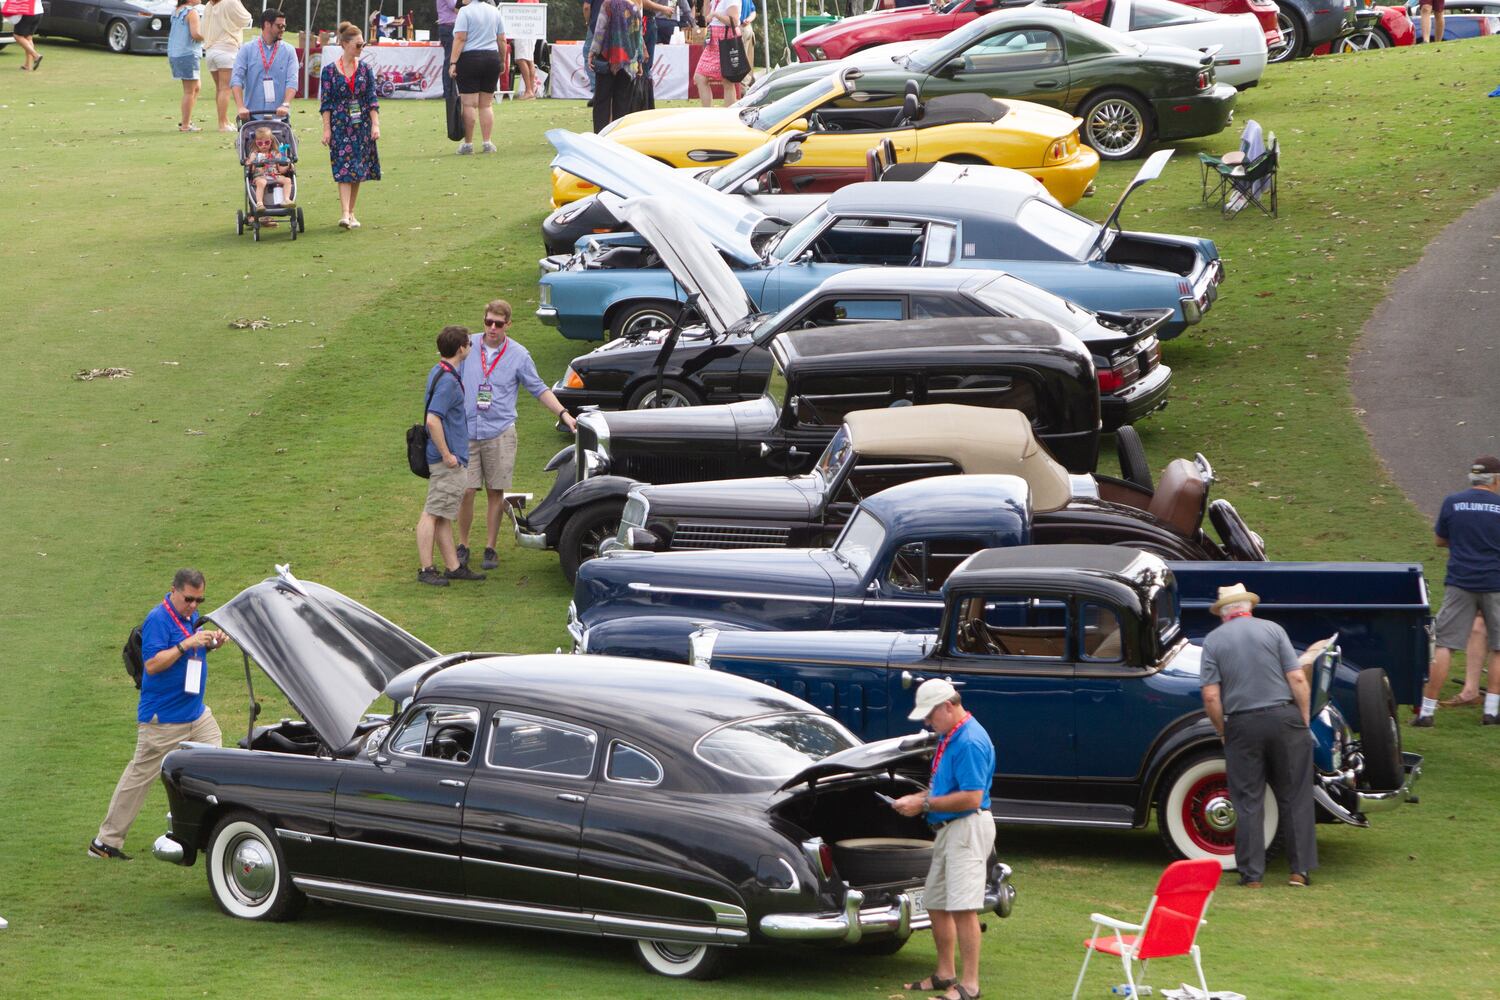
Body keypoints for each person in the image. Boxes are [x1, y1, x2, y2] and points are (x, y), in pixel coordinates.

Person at [89, 569, 227, 860]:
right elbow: (153, 664)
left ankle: (202, 832)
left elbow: (191, 656)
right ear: (173, 591)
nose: (194, 605)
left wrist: (210, 643)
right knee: (139, 778)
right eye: (189, 599)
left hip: (196, 715)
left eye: (199, 600)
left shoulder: (189, 618)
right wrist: (186, 643)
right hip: (163, 720)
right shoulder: (158, 619)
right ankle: (105, 843)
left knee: (215, 765)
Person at [1199, 583, 1321, 888]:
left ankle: (1252, 875)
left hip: (1242, 723)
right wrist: (1303, 717)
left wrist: (1222, 730)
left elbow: (1211, 696)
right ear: (1248, 608)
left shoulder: (1213, 641)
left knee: (1248, 800)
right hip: (1284, 717)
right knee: (1295, 795)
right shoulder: (1273, 630)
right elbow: (1296, 677)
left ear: (1223, 614)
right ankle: (1299, 871)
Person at [890, 680, 995, 1000]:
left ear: (948, 706)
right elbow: (946, 788)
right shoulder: (952, 735)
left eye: (930, 715)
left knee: (963, 907)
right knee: (936, 902)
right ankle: (945, 974)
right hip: (950, 829)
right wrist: (919, 797)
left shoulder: (969, 741)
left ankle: (970, 987)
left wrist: (921, 804)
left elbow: (972, 797)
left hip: (966, 828)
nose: (927, 722)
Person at [455, 300, 577, 571]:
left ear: (508, 324)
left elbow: (539, 388)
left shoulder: (519, 354)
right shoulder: (468, 346)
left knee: (495, 491)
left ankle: (490, 547)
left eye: (498, 324)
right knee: (466, 491)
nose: (492, 328)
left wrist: (564, 414)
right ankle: (462, 545)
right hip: (467, 430)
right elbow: (449, 375)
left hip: (500, 431)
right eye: (488, 322)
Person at [1416, 456, 1500, 726]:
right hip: (1496, 583)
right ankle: (1492, 711)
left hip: (1460, 582)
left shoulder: (1453, 502)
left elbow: (1440, 539)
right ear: (1496, 479)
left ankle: (1427, 712)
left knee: (1444, 645)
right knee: (1499, 648)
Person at [417, 327, 488, 586]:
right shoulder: (448, 381)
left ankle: (453, 566)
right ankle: (426, 569)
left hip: (449, 457)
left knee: (443, 514)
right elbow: (433, 421)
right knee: (432, 513)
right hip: (448, 459)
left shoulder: (439, 371)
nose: (471, 346)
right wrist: (448, 455)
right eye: (469, 343)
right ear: (461, 348)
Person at [320, 21, 382, 229]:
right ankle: (345, 213)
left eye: (362, 45)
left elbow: (372, 99)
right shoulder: (329, 72)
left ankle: (351, 212)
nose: (361, 49)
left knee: (358, 170)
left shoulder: (365, 69)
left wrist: (375, 124)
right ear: (345, 44)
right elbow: (326, 103)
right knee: (344, 168)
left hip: (361, 124)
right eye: (358, 45)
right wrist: (326, 129)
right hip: (340, 125)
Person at [448, 0, 505, 154]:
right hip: (491, 57)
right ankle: (487, 143)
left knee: (469, 104)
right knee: (486, 104)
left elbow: (460, 38)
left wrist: (453, 62)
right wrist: (502, 60)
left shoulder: (465, 12)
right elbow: (502, 39)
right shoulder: (495, 11)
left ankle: (468, 144)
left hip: (470, 58)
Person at [231, 8, 299, 118]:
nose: (283, 30)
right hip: (252, 115)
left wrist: (285, 104)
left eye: (284, 26)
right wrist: (240, 107)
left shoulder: (289, 51)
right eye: (279, 26)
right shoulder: (247, 49)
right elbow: (236, 79)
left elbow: (292, 81)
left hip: (279, 115)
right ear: (267, 24)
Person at [588, 0, 643, 132]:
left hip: (608, 57)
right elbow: (638, 36)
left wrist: (592, 51)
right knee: (623, 103)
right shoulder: (635, 7)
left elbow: (600, 31)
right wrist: (639, 60)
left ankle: (600, 136)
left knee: (602, 101)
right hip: (628, 61)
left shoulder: (608, 4)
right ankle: (619, 137)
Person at [201, 0, 251, 131]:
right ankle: (222, 123)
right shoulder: (231, 2)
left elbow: (202, 29)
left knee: (220, 88)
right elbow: (246, 19)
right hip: (226, 49)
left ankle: (223, 120)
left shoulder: (209, 5)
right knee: (225, 89)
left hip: (211, 51)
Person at [692, 0, 740, 107]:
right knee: (699, 77)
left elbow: (735, 21)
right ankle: (708, 113)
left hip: (726, 39)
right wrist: (706, 4)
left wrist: (716, 15)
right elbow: (706, 19)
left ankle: (729, 115)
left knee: (727, 80)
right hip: (713, 39)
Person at [168, 0, 206, 132]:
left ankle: (187, 120)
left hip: (176, 53)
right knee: (190, 91)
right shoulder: (192, 12)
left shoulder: (177, 11)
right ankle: (185, 125)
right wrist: (209, 36)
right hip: (187, 54)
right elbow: (195, 34)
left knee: (196, 87)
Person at [245, 125, 294, 211]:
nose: (264, 145)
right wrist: (251, 163)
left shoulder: (275, 153)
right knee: (262, 182)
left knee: (287, 180)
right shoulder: (254, 154)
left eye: (266, 142)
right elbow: (251, 170)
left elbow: (281, 170)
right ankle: (260, 203)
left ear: (271, 141)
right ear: (256, 142)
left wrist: (288, 165)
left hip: (275, 175)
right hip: (260, 176)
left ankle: (286, 199)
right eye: (260, 143)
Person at [507, 0, 541, 98]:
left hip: (524, 30)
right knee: (529, 60)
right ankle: (530, 91)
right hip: (529, 30)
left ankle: (529, 90)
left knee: (521, 59)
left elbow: (524, 11)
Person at [10, 0, 44, 71]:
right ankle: (28, 66)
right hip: (39, 11)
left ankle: (36, 56)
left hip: (27, 11)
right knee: (28, 38)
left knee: (17, 36)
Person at [437, 0, 459, 107]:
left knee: (451, 59)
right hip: (449, 26)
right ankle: (449, 92)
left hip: (449, 26)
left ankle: (451, 91)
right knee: (450, 60)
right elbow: (454, 7)